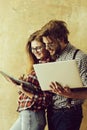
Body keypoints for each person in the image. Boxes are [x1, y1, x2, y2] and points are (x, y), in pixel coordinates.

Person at [39, 20, 87, 130]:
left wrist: (70, 94)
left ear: (61, 39)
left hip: (69, 114)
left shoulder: (79, 57)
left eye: (50, 44)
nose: (46, 48)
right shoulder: (54, 56)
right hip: (52, 113)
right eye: (45, 44)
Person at [10, 30, 53, 130]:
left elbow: (47, 99)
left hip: (33, 114)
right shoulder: (36, 66)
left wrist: (25, 91)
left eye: (38, 47)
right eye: (33, 49)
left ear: (46, 47)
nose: (35, 51)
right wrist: (21, 85)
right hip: (25, 113)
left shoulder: (48, 67)